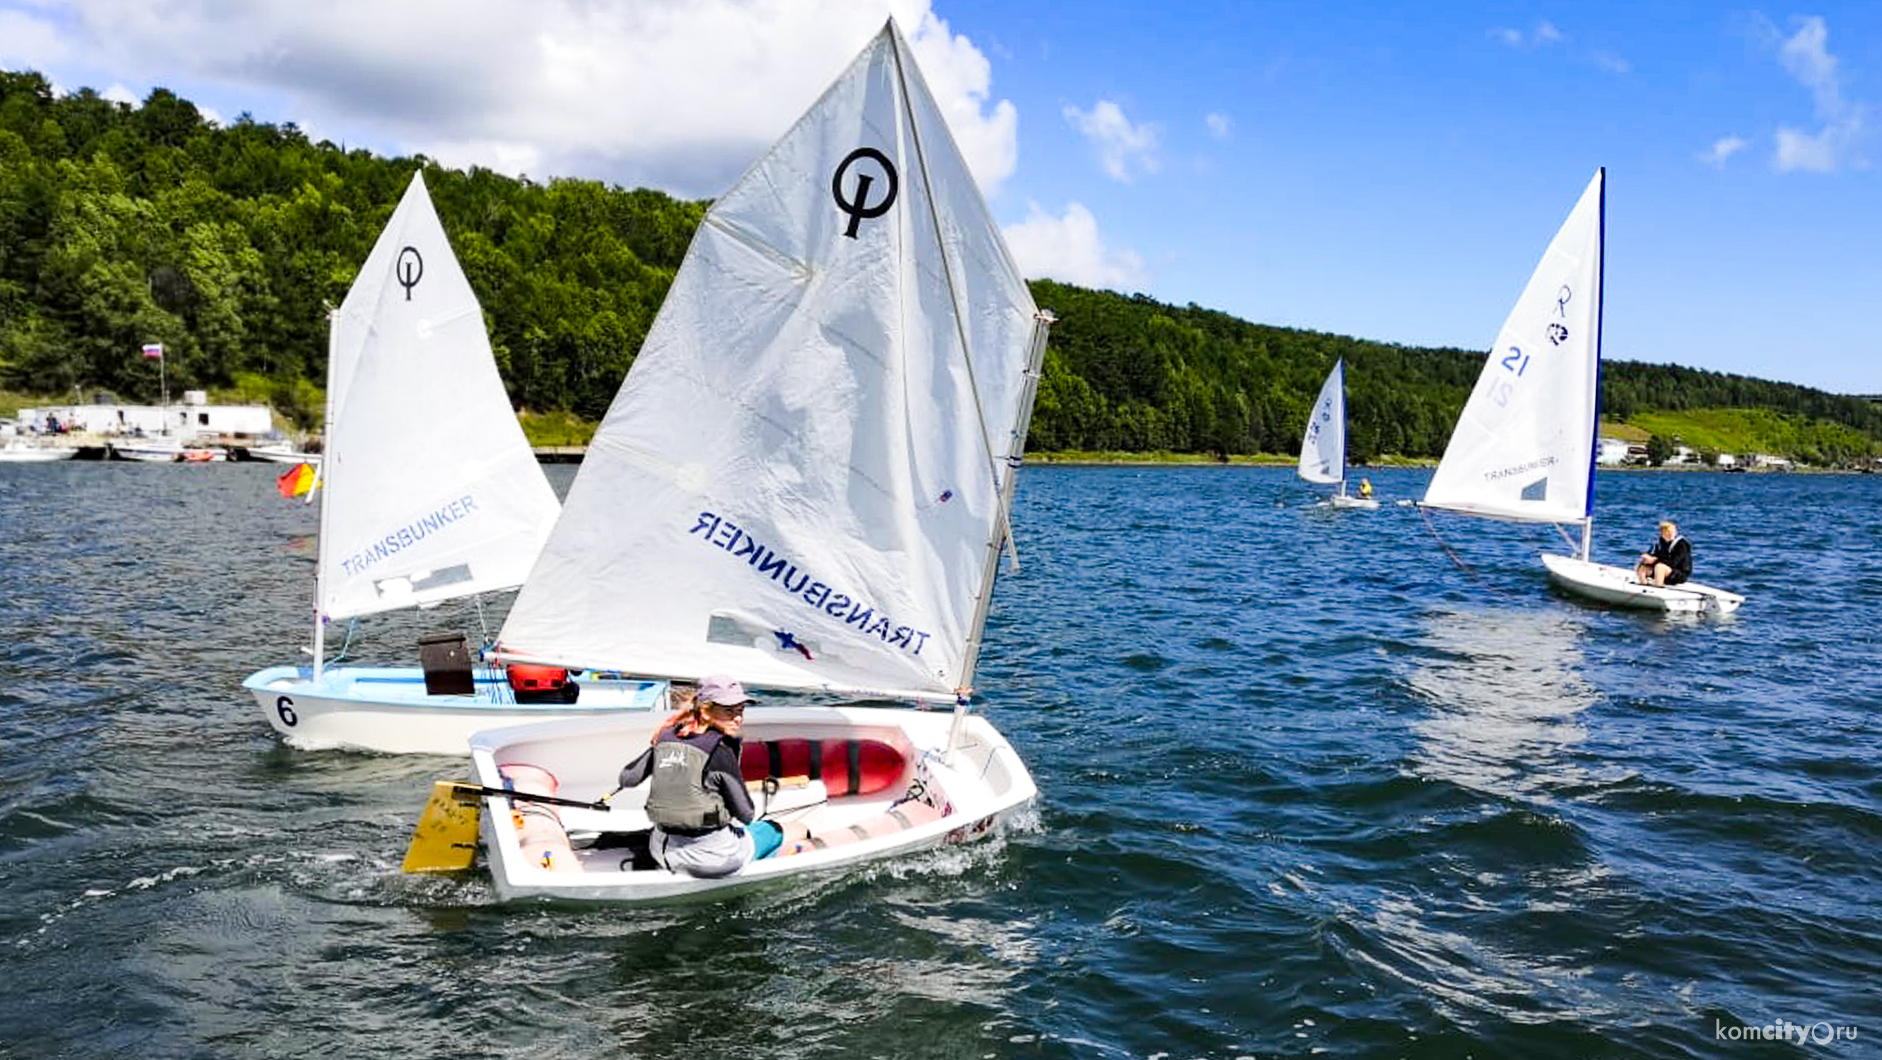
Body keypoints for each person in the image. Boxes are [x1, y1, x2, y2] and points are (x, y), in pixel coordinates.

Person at [615, 675, 805, 878]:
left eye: (740, 709)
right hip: (710, 859)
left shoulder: (666, 738)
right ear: (705, 711)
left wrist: (656, 749)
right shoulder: (719, 751)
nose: (738, 718)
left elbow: (627, 779)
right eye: (728, 711)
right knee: (792, 830)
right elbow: (747, 815)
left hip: (661, 850)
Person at [1634, 520, 1692, 586]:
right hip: (1663, 569)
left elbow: (1673, 562)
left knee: (1660, 567)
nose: (1670, 534)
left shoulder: (1682, 544)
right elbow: (1655, 555)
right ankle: (1643, 585)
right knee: (1641, 566)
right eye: (1667, 532)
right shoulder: (1659, 543)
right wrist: (1647, 558)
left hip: (1678, 573)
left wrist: (1654, 561)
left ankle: (1658, 586)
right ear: (1662, 533)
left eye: (1672, 532)